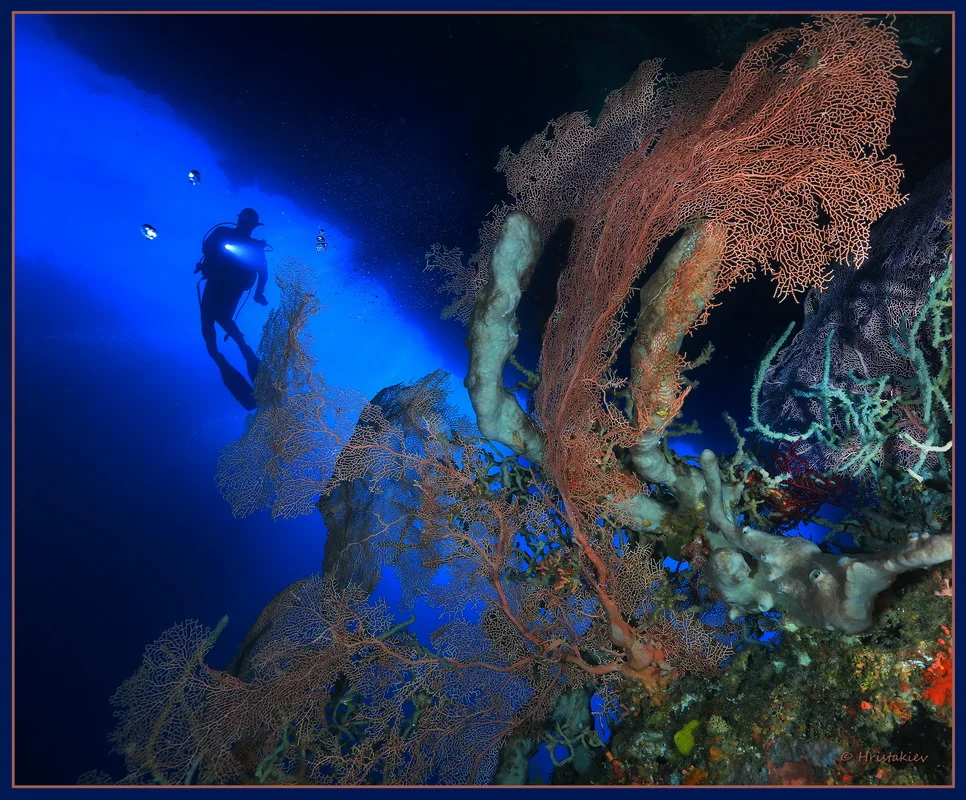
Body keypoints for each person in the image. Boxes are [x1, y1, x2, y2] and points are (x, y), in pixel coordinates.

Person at [195, 208, 270, 410]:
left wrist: (259, 293)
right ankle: (238, 356)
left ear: (252, 226)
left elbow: (263, 272)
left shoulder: (253, 246)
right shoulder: (223, 234)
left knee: (217, 323)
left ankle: (241, 356)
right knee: (215, 326)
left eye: (249, 224)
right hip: (217, 284)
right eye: (245, 223)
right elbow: (207, 249)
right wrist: (258, 293)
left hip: (228, 288)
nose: (246, 227)